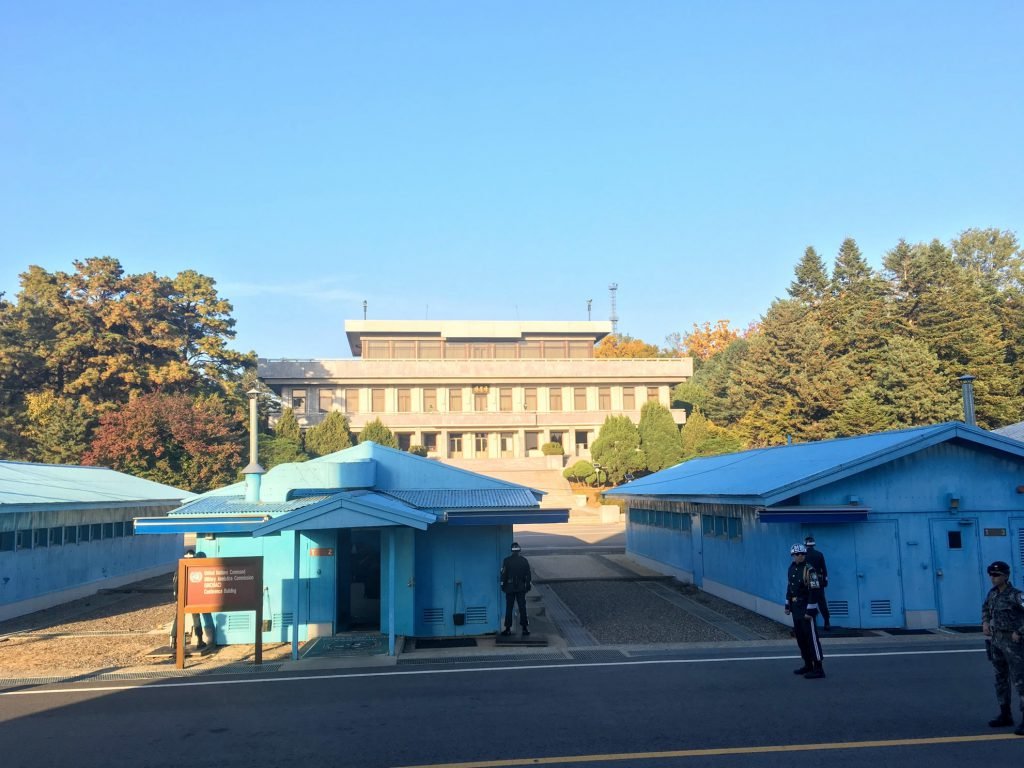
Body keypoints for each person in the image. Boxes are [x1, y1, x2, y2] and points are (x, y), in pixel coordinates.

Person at [981, 560, 1024, 735]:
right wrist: (985, 622)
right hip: (997, 641)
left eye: (997, 575)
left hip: (1014, 643)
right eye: (991, 574)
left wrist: (1020, 631)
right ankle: (1005, 714)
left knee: (1021, 681)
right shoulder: (992, 594)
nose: (993, 578)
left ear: (1005, 576)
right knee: (1000, 679)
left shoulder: (1017, 595)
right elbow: (985, 608)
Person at [785, 543, 825, 679]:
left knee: (811, 638)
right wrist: (787, 605)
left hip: (807, 607)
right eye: (797, 554)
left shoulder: (810, 570)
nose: (800, 556)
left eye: (802, 554)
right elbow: (790, 587)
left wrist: (810, 610)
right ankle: (808, 664)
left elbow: (815, 591)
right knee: (801, 638)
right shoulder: (792, 568)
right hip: (796, 608)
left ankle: (818, 668)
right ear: (793, 555)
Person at [169, 549, 205, 649]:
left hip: (181, 596)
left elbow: (175, 583)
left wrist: (176, 597)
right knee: (196, 617)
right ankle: (199, 640)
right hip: (193, 596)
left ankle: (173, 639)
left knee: (179, 617)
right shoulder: (196, 567)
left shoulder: (179, 567)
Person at [500, 541, 532, 636]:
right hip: (521, 588)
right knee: (522, 608)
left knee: (509, 608)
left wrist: (503, 585)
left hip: (509, 588)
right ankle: (525, 628)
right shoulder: (524, 560)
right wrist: (527, 586)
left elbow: (503, 575)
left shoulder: (507, 561)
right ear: (519, 550)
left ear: (511, 550)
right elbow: (528, 575)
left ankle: (508, 629)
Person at [803, 536, 831, 630]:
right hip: (819, 581)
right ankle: (827, 622)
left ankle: (810, 622)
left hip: (807, 581)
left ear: (805, 544)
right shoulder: (819, 554)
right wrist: (825, 580)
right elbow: (824, 568)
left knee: (808, 601)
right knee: (821, 602)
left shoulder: (803, 555)